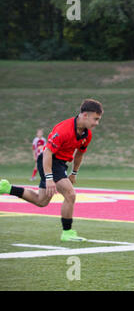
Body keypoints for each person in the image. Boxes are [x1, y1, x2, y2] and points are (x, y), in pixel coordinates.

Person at [0, 99, 103, 241]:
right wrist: (49, 178)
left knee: (41, 201)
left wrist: (74, 173)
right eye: (95, 119)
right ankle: (67, 233)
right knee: (70, 194)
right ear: (85, 115)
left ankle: (7, 188)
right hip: (49, 161)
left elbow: (79, 153)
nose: (97, 123)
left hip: (60, 164)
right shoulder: (63, 130)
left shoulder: (87, 134)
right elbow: (47, 153)